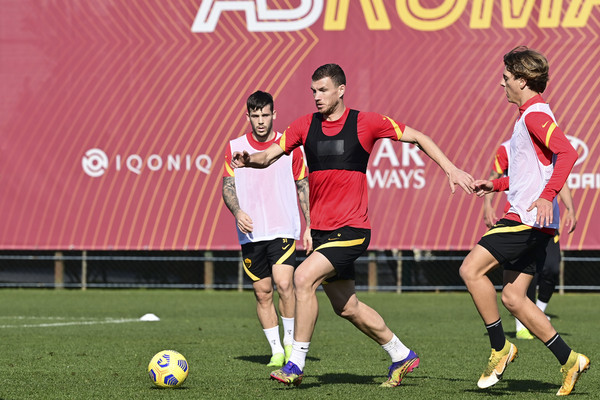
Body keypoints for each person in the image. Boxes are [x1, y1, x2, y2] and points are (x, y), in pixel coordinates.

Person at [231, 64, 474, 387]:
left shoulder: (366, 123)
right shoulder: (304, 126)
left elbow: (417, 137)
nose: (317, 96)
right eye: (314, 91)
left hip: (352, 229)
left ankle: (295, 364)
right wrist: (249, 160)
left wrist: (450, 169)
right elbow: (268, 156)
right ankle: (401, 354)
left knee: (303, 278)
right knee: (347, 307)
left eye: (323, 90)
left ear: (341, 90)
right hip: (322, 233)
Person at [461, 46, 589, 396]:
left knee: (470, 270)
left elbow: (569, 153)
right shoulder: (526, 117)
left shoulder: (534, 114)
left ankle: (500, 348)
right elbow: (528, 176)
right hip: (533, 221)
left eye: (505, 78)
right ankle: (570, 360)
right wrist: (496, 184)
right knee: (515, 298)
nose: (501, 83)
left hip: (525, 220)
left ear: (522, 80)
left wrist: (548, 196)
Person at [222, 90, 312, 368]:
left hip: (283, 226)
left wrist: (310, 225)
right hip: (251, 232)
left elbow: (303, 186)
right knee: (262, 292)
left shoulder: (289, 145)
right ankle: (275, 350)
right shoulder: (235, 146)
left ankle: (289, 342)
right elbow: (228, 185)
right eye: (255, 115)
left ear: (274, 114)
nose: (260, 121)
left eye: (265, 115)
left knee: (285, 284)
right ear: (247, 115)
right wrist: (237, 212)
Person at [482, 140, 577, 340]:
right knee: (522, 274)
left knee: (551, 268)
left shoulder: (548, 145)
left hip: (546, 221)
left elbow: (559, 180)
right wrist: (488, 206)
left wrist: (570, 209)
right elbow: (498, 178)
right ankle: (522, 324)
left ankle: (537, 313)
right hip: (519, 220)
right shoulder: (507, 148)